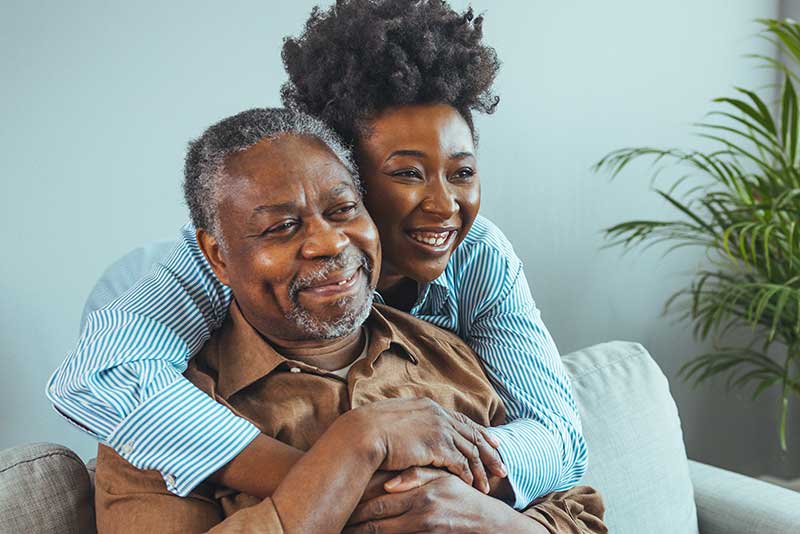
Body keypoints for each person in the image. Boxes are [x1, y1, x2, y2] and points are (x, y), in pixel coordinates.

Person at [48, 0, 585, 509]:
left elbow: (560, 438)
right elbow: (99, 376)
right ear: (341, 174)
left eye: (462, 172)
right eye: (406, 173)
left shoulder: (479, 254)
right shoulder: (227, 259)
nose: (445, 206)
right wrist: (333, 479)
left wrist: (443, 490)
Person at [94, 107, 606, 534]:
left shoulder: (450, 351)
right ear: (218, 256)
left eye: (342, 210)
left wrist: (492, 519)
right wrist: (354, 447)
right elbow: (99, 372)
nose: (328, 243)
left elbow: (573, 494)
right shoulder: (155, 424)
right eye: (282, 226)